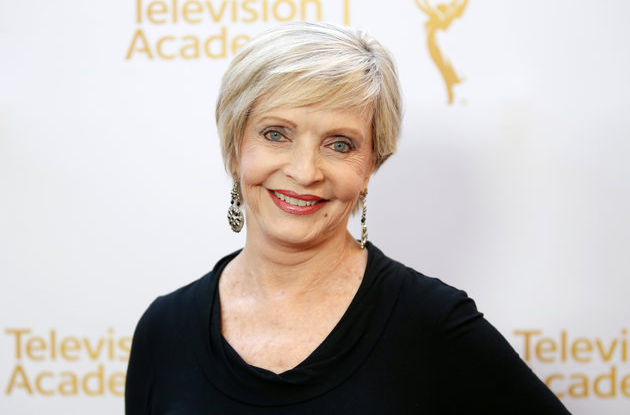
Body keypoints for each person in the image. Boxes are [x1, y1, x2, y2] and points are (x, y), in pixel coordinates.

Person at [125, 22, 569, 414]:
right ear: (235, 147)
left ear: (371, 165)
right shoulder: (165, 329)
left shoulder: (431, 323)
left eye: (339, 144)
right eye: (276, 134)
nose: (304, 171)